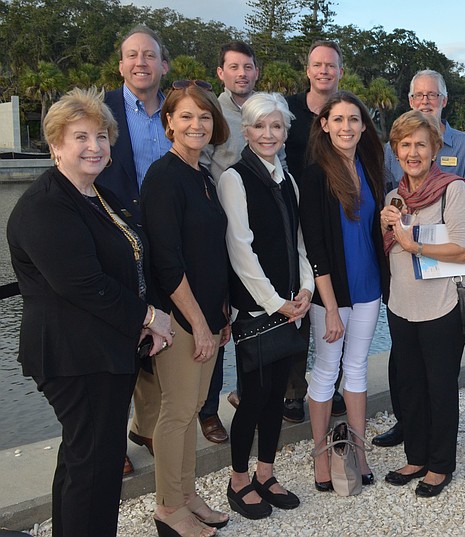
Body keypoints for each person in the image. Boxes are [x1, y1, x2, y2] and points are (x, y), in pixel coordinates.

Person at [7, 87, 173, 537]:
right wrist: (149, 318)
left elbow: (129, 261)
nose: (94, 147)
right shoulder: (46, 206)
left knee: (84, 457)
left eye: (101, 136)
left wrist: (145, 317)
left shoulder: (96, 196)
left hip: (103, 349)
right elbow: (84, 285)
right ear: (56, 144)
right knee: (95, 467)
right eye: (80, 137)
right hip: (74, 356)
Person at [141, 80, 232, 537]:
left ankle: (187, 494)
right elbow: (167, 261)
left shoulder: (202, 175)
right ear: (169, 122)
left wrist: (221, 315)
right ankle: (168, 509)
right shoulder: (163, 177)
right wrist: (197, 322)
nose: (197, 124)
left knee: (195, 405)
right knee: (176, 412)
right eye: (187, 116)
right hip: (179, 319)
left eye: (204, 116)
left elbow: (211, 252)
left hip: (209, 316)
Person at [373, 69, 465, 449]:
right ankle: (415, 456)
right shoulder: (393, 200)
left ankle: (439, 465)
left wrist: (414, 244)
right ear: (395, 151)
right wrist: (388, 227)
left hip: (442, 304)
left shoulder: (453, 190)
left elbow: (463, 248)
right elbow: (391, 250)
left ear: (435, 150)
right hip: (403, 306)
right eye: (405, 146)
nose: (412, 153)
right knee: (411, 385)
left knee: (440, 388)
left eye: (420, 145)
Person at [218, 92, 310, 518]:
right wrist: (276, 303)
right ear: (246, 130)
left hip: (293, 307)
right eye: (260, 126)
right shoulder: (233, 179)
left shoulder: (288, 182)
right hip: (259, 311)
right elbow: (241, 252)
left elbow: (299, 246)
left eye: (276, 126)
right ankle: (238, 480)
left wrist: (305, 290)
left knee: (277, 396)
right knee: (253, 397)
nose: (268, 134)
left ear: (285, 132)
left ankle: (266, 473)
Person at [196, 40, 286, 445]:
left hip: (258, 223)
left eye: (248, 67)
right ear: (221, 72)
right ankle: (208, 409)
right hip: (221, 224)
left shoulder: (268, 107)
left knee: (254, 320)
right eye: (233, 67)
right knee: (219, 318)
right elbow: (199, 163)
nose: (241, 74)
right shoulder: (212, 113)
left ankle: (247, 392)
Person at [299, 91, 388, 491]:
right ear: (324, 125)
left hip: (369, 287)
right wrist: (330, 307)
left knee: (355, 369)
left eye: (354, 119)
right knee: (325, 371)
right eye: (338, 120)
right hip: (332, 293)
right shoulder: (316, 174)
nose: (346, 127)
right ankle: (321, 454)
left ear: (364, 126)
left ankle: (358, 450)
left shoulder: (370, 167)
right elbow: (315, 245)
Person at [95, 24, 173, 474]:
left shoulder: (176, 110)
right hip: (115, 239)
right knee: (118, 337)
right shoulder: (101, 109)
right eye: (132, 55)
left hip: (164, 239)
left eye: (149, 55)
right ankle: (113, 442)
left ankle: (148, 426)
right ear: (121, 64)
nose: (140, 62)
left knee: (160, 335)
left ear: (163, 65)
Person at [283, 39, 347, 423]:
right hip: (291, 214)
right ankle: (293, 392)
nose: (324, 71)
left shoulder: (346, 109)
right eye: (317, 65)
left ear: (340, 71)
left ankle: (333, 383)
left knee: (334, 299)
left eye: (331, 66)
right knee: (299, 300)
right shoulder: (288, 110)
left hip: (334, 215)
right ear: (308, 70)